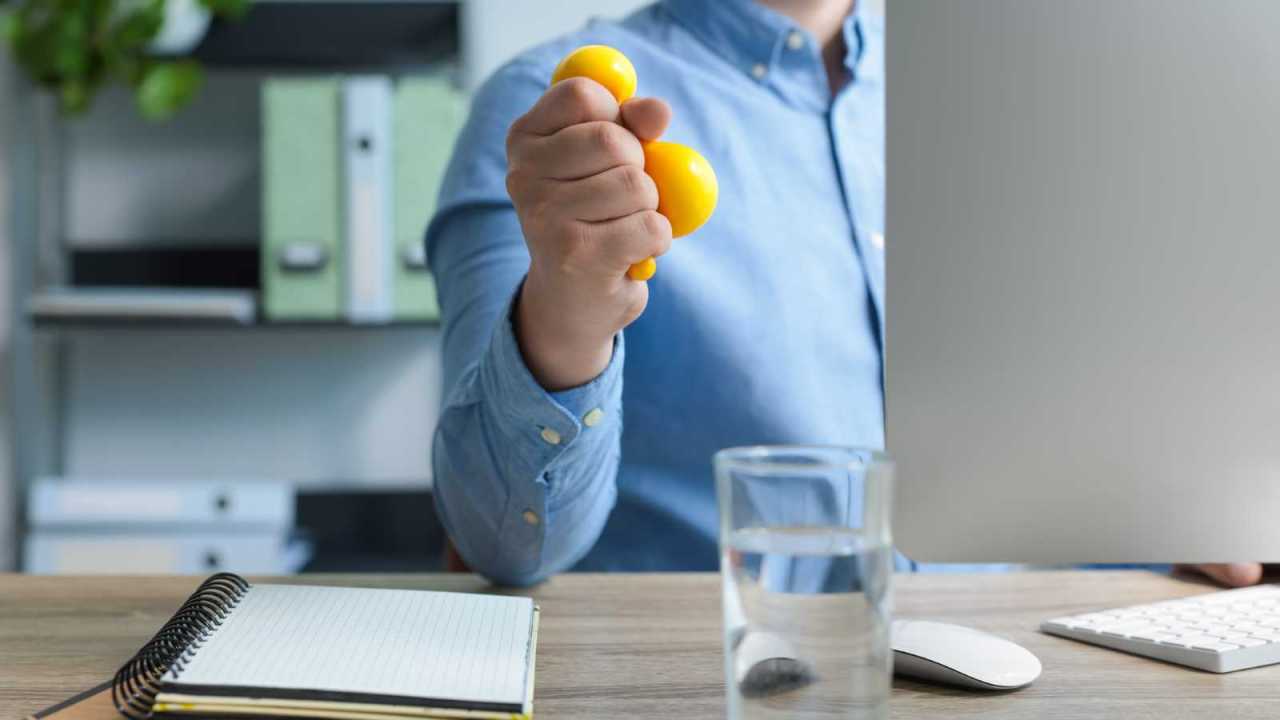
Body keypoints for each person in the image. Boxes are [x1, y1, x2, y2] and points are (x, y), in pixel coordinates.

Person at [424, 0, 1265, 589]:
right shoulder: (551, 121)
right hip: (717, 682)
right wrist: (568, 311)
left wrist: (1162, 520)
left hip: (1013, 664)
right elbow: (504, 544)